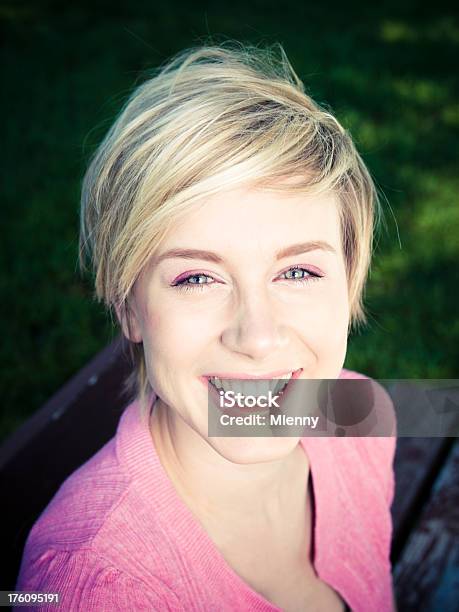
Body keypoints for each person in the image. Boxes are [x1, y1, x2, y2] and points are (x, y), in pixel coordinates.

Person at [16, 42, 397, 611]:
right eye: (197, 278)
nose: (257, 336)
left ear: (349, 285)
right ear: (128, 306)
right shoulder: (92, 588)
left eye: (298, 270)